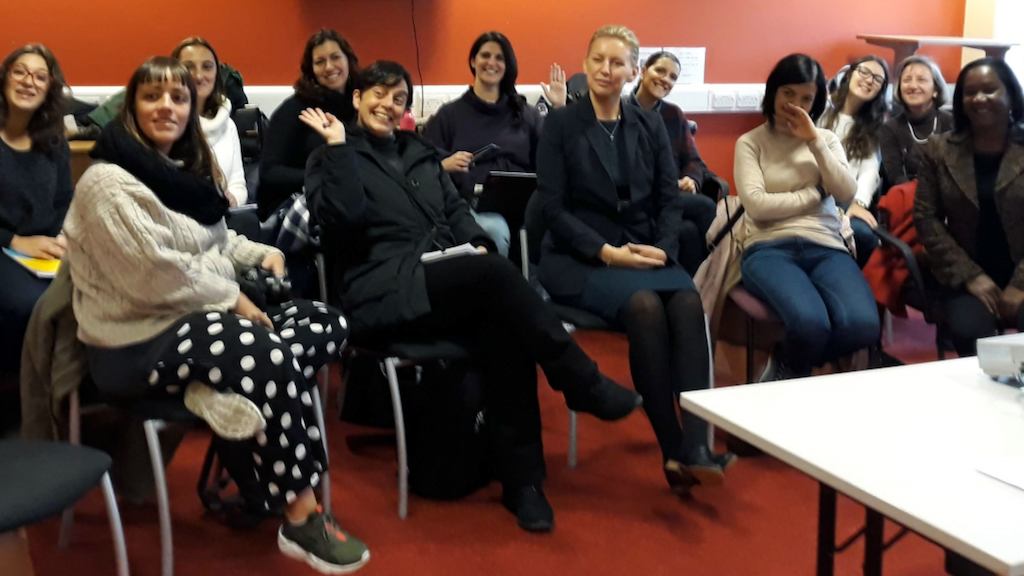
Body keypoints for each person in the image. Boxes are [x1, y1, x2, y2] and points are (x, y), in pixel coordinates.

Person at [305, 60, 641, 533]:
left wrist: (476, 240)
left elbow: (457, 212)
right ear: (357, 98)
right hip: (380, 292)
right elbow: (342, 220)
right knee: (494, 281)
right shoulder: (328, 157)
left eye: (398, 98)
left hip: (442, 281)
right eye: (377, 94)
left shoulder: (420, 153)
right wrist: (338, 148)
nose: (387, 104)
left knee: (506, 327)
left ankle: (523, 483)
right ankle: (579, 380)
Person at [62, 57, 369, 574]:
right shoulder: (106, 183)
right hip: (136, 340)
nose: (167, 107)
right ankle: (300, 516)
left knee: (327, 321)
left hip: (197, 327)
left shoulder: (185, 175)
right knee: (265, 352)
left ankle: (219, 394)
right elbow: (151, 274)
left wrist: (260, 255)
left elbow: (219, 242)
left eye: (178, 98)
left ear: (192, 108)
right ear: (130, 108)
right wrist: (234, 301)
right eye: (152, 96)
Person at [536, 25, 734, 497]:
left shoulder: (650, 123)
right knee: (645, 306)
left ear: (633, 70)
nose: (606, 70)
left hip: (644, 251)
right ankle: (674, 446)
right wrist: (604, 252)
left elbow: (670, 197)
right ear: (586, 64)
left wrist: (665, 248)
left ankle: (697, 447)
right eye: (598, 60)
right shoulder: (562, 124)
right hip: (579, 257)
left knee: (687, 305)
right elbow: (552, 207)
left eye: (617, 62)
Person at [734, 53, 879, 380]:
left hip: (826, 245)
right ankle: (792, 375)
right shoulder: (750, 143)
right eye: (788, 94)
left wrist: (814, 142)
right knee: (810, 323)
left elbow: (844, 193)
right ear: (773, 92)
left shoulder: (826, 140)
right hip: (768, 247)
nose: (795, 105)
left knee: (864, 326)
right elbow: (757, 206)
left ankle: (788, 362)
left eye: (806, 98)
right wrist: (815, 195)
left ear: (816, 102)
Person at [913, 57, 1024, 356]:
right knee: (971, 336)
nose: (978, 98)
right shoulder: (937, 149)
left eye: (990, 90)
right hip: (964, 274)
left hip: (1021, 271)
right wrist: (970, 275)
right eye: (970, 92)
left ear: (1011, 95)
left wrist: (1020, 284)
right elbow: (926, 218)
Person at [423, 31, 559, 257]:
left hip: (525, 205)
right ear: (473, 61)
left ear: (507, 66)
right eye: (485, 55)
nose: (491, 63)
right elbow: (420, 166)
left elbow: (553, 159)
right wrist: (444, 164)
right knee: (494, 229)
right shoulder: (449, 116)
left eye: (499, 58)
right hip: (471, 206)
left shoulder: (526, 114)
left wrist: (559, 108)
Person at [0, 44, 70, 377]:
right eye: (20, 72)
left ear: (48, 89)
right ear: (4, 79)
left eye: (40, 77)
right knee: (31, 305)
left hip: (44, 251)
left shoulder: (55, 140)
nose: (29, 81)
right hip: (5, 246)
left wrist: (58, 239)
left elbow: (63, 200)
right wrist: (14, 240)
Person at [628, 50, 718, 274]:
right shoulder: (619, 111)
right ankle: (712, 276)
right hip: (638, 197)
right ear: (643, 69)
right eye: (660, 71)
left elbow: (693, 160)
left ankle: (689, 285)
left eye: (672, 77)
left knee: (687, 230)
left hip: (671, 197)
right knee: (706, 206)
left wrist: (691, 179)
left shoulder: (674, 115)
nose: (665, 79)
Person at [258, 28, 358, 219]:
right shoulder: (294, 109)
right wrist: (321, 177)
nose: (329, 67)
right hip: (298, 206)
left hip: (347, 200)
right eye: (320, 62)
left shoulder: (360, 105)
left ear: (348, 60)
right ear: (311, 70)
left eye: (335, 57)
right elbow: (269, 173)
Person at [817, 55, 890, 265]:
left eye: (877, 79)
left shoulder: (874, 127)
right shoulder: (822, 109)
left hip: (846, 198)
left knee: (863, 235)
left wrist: (859, 203)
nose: (869, 80)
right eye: (864, 72)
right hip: (812, 191)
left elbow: (870, 171)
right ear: (850, 74)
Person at [172, 37, 248, 207]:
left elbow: (238, 185)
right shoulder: (167, 124)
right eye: (188, 67)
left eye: (207, 67)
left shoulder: (228, 125)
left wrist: (231, 200)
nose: (199, 76)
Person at [879, 55, 953, 190]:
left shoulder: (952, 123)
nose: (913, 86)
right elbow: (895, 176)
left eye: (921, 79)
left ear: (935, 90)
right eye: (907, 80)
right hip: (908, 198)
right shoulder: (890, 128)